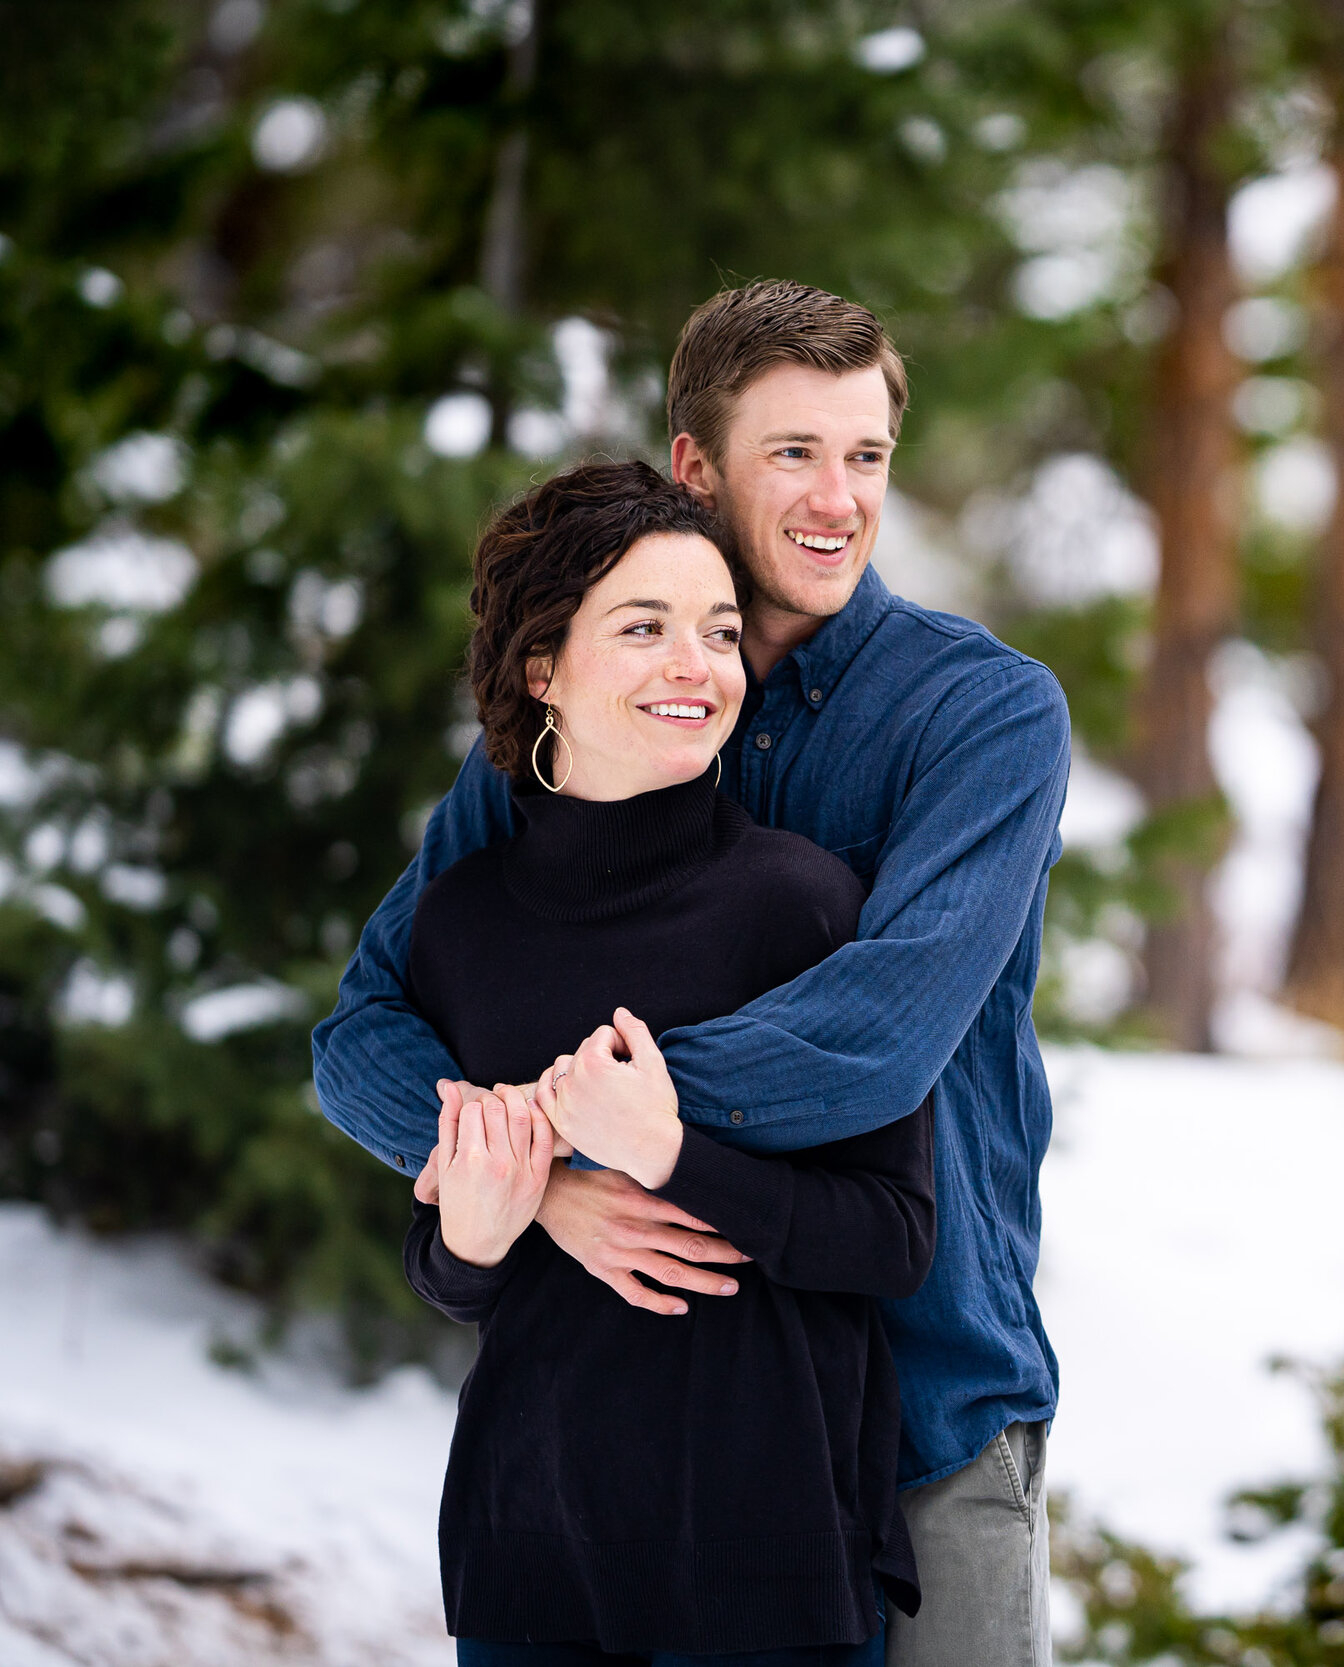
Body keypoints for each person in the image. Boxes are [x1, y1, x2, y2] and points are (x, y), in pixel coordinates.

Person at [314, 283, 1070, 1666]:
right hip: (655, 1429)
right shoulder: (613, 696)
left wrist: (599, 1131)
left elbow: (878, 1034)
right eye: (793, 452)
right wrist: (538, 1180)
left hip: (932, 1386)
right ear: (696, 466)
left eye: (867, 456)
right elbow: (368, 1025)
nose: (837, 498)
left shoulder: (981, 711)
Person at [405, 460, 933, 1663]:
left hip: (762, 1556)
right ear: (543, 664)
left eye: (719, 630)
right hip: (526, 1548)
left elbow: (892, 1236)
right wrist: (489, 1227)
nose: (698, 665)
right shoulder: (460, 924)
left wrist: (672, 1151)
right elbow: (448, 1262)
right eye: (644, 627)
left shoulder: (799, 904)